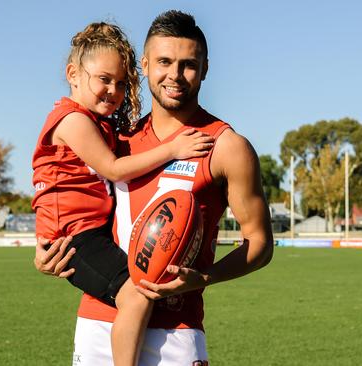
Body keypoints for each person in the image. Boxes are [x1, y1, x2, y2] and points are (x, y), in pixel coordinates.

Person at [35, 11, 274, 365]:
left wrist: (204, 278)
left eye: (188, 64)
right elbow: (77, 204)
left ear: (205, 69)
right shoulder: (119, 139)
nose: (174, 75)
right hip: (98, 324)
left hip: (175, 334)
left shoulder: (226, 146)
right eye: (164, 62)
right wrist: (44, 252)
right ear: (144, 65)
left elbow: (260, 244)